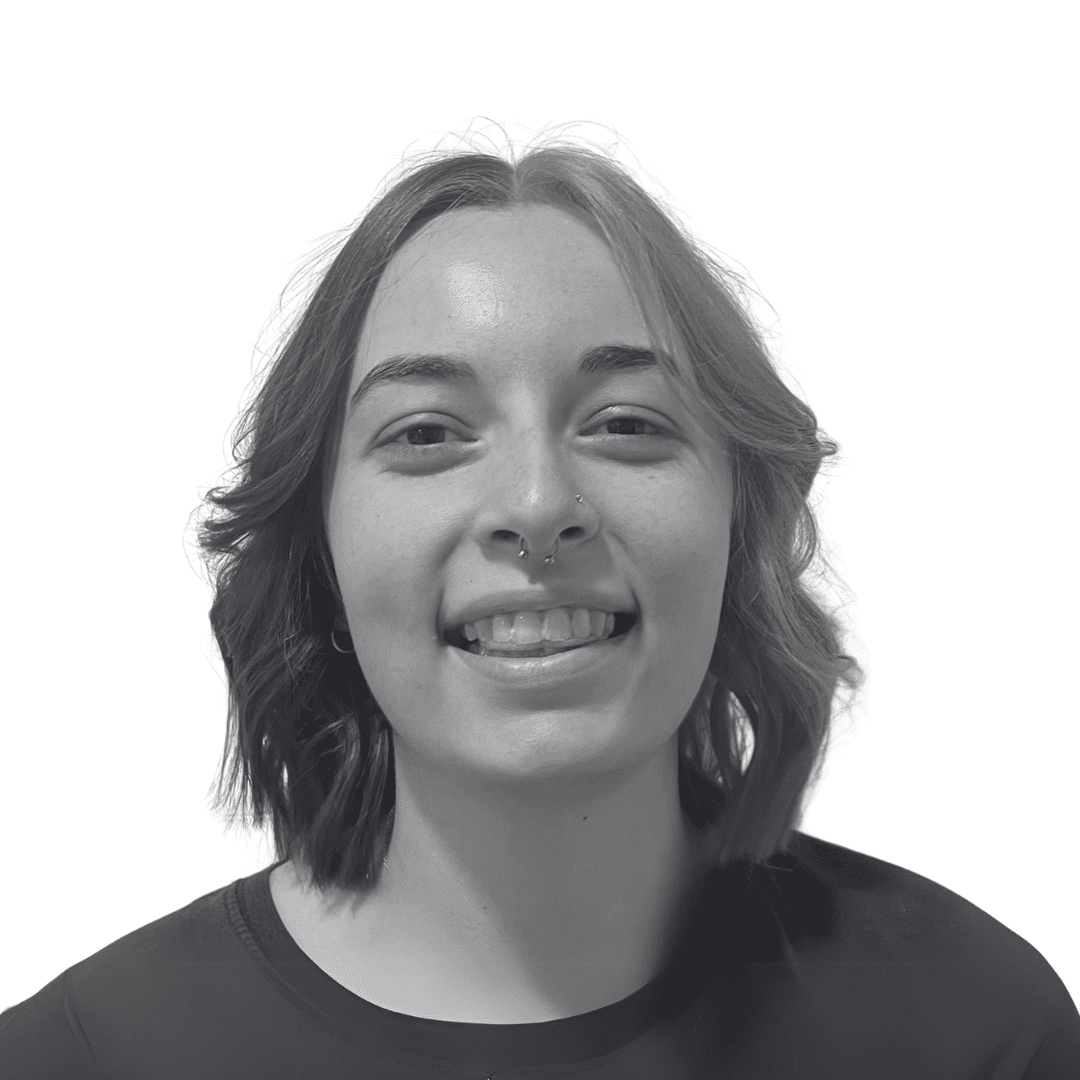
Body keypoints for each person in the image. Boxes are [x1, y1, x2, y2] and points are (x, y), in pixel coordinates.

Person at [2, 139, 1077, 1078]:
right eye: (427, 433)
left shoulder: (974, 1030)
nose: (536, 505)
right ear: (317, 552)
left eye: (625, 424)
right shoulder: (81, 1061)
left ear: (740, 530)